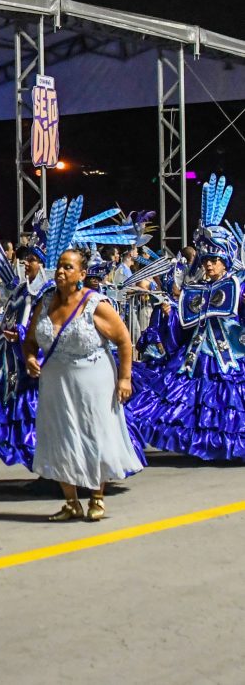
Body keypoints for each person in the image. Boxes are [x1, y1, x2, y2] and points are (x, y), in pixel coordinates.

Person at [128, 175, 245, 461]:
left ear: (225, 261)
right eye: (205, 260)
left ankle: (230, 446)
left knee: (227, 402)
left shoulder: (238, 286)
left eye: (213, 260)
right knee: (191, 400)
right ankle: (202, 444)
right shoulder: (197, 288)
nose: (208, 264)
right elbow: (184, 326)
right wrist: (169, 314)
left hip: (230, 354)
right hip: (197, 355)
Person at [25, 248, 142, 521]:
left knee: (94, 433)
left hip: (94, 379)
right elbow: (30, 339)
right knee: (61, 436)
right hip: (55, 380)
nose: (61, 271)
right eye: (59, 266)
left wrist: (125, 378)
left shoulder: (95, 303)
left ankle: (97, 497)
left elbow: (124, 341)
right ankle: (70, 502)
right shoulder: (45, 302)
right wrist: (30, 357)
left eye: (68, 267)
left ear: (82, 273)